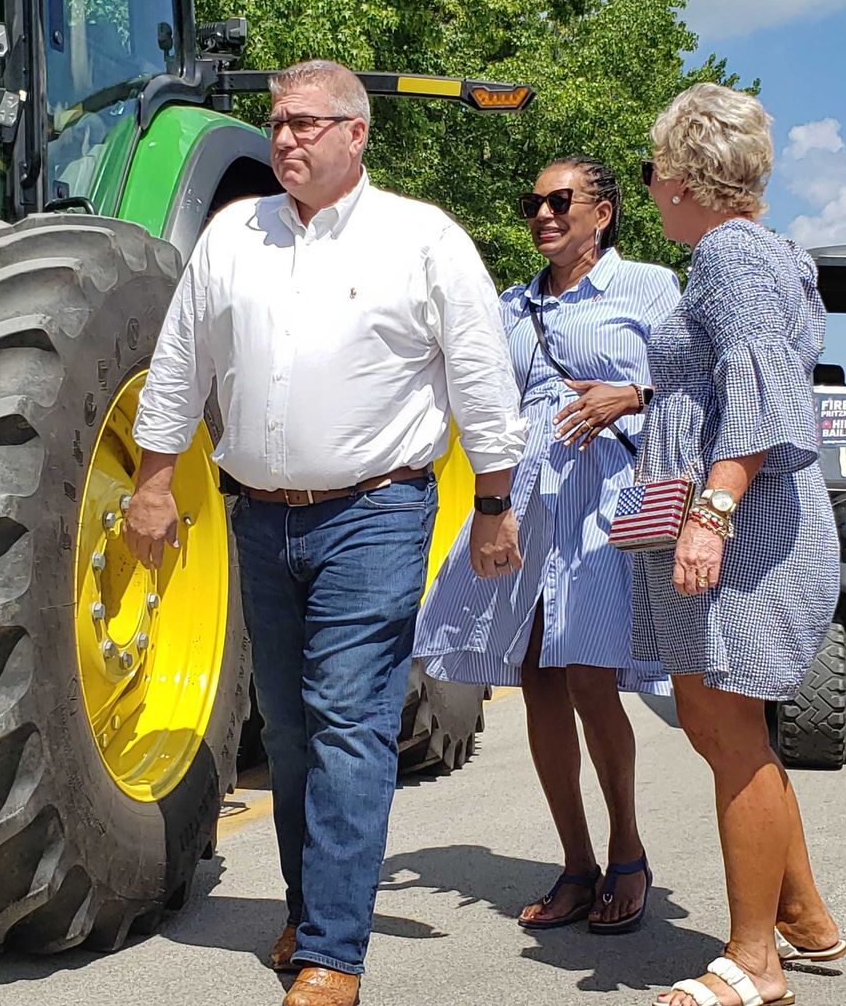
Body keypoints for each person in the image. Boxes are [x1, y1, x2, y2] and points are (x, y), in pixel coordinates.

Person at [123, 60, 528, 1006]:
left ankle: (335, 954)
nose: (286, 137)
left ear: (358, 134)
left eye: (307, 123)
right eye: (277, 121)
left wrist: (495, 506)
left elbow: (481, 377)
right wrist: (150, 481)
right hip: (260, 519)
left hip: (377, 514)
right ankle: (312, 912)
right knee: (294, 731)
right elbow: (181, 359)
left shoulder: (421, 239)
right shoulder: (233, 236)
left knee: (349, 721)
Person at [416, 155, 679, 936]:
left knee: (592, 678)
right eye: (533, 202)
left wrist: (632, 394)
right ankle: (575, 862)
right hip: (529, 501)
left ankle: (627, 852)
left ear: (604, 211)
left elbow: (702, 381)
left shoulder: (651, 289)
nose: (542, 214)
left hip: (603, 499)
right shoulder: (509, 304)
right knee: (537, 677)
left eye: (560, 200)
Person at [635, 83, 845, 1006]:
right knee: (723, 729)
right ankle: (803, 916)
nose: (649, 187)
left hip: (745, 531)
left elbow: (761, 397)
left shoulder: (731, 252)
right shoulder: (757, 253)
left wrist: (711, 517)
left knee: (733, 731)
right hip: (738, 521)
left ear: (685, 175)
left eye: (652, 170)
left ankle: (755, 962)